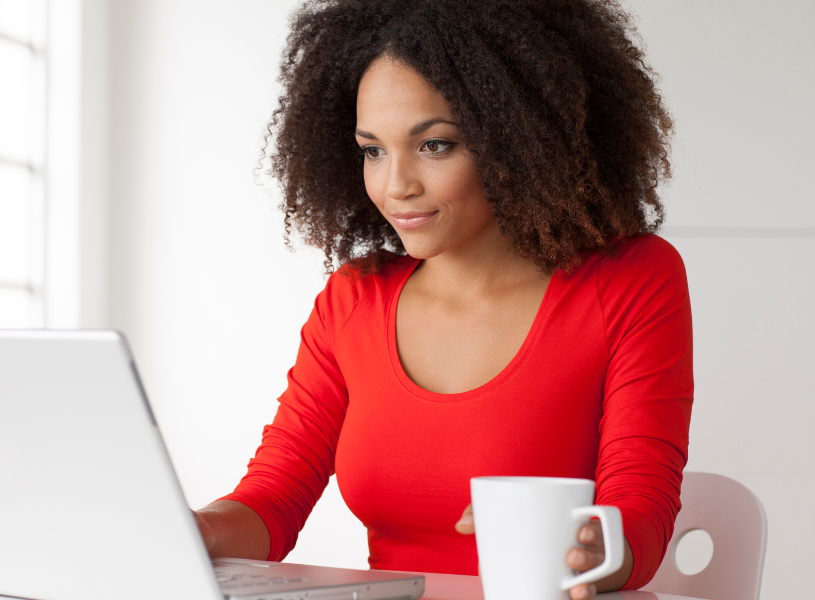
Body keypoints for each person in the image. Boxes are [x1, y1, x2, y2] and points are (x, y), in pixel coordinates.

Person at [193, 1, 693, 599]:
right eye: (372, 150)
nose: (395, 184)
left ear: (519, 137)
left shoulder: (629, 280)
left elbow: (641, 506)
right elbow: (272, 500)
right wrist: (196, 530)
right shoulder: (354, 301)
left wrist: (583, 544)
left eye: (435, 145)